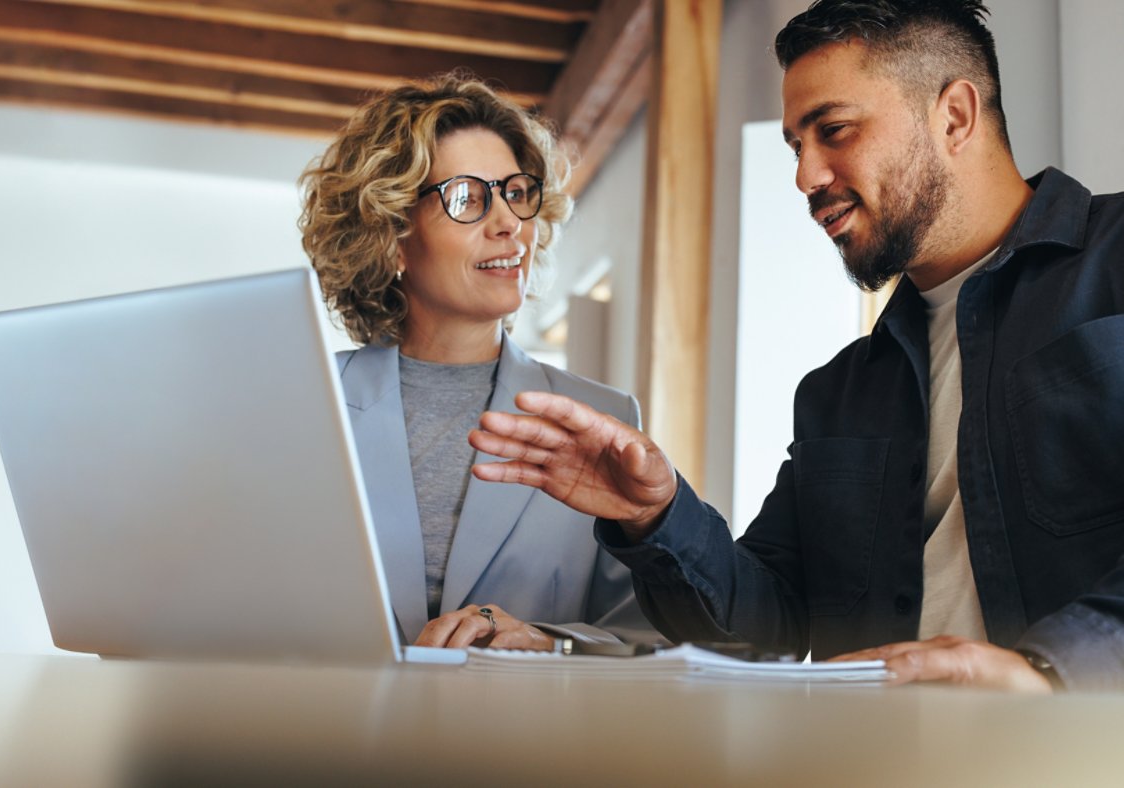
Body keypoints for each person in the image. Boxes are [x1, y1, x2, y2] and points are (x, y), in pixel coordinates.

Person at [470, 0, 1124, 690]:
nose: (806, 177)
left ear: (955, 117)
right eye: (795, 146)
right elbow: (764, 627)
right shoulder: (838, 394)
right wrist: (654, 515)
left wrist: (1047, 672)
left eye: (834, 130)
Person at [298, 75, 658, 651]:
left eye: (516, 192)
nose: (509, 222)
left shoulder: (602, 417)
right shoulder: (303, 405)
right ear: (392, 236)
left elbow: (648, 636)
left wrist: (549, 643)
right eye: (467, 198)